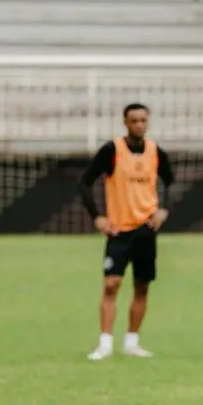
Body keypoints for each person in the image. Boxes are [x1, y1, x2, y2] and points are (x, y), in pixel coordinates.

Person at [79, 103, 174, 361]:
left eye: (143, 120)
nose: (139, 125)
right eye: (134, 121)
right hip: (119, 230)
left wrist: (163, 209)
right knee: (111, 284)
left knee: (142, 286)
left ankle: (132, 342)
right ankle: (105, 343)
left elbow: (169, 180)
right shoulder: (112, 150)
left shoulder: (155, 152)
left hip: (146, 229)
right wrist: (97, 217)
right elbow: (85, 182)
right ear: (125, 123)